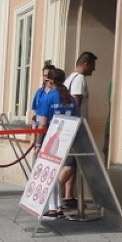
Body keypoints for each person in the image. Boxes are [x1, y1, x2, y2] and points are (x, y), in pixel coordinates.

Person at [36, 68, 77, 219]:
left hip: (52, 139)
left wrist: (38, 144)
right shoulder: (71, 98)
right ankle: (59, 206)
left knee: (51, 172)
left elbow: (43, 123)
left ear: (50, 81)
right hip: (68, 139)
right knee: (59, 171)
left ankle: (53, 208)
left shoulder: (48, 98)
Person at [60, 51, 98, 209]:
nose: (94, 70)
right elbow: (76, 102)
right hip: (76, 127)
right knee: (71, 162)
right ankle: (55, 190)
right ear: (86, 64)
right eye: (93, 66)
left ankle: (69, 196)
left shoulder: (69, 78)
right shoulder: (79, 79)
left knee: (74, 162)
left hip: (67, 126)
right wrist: (77, 127)